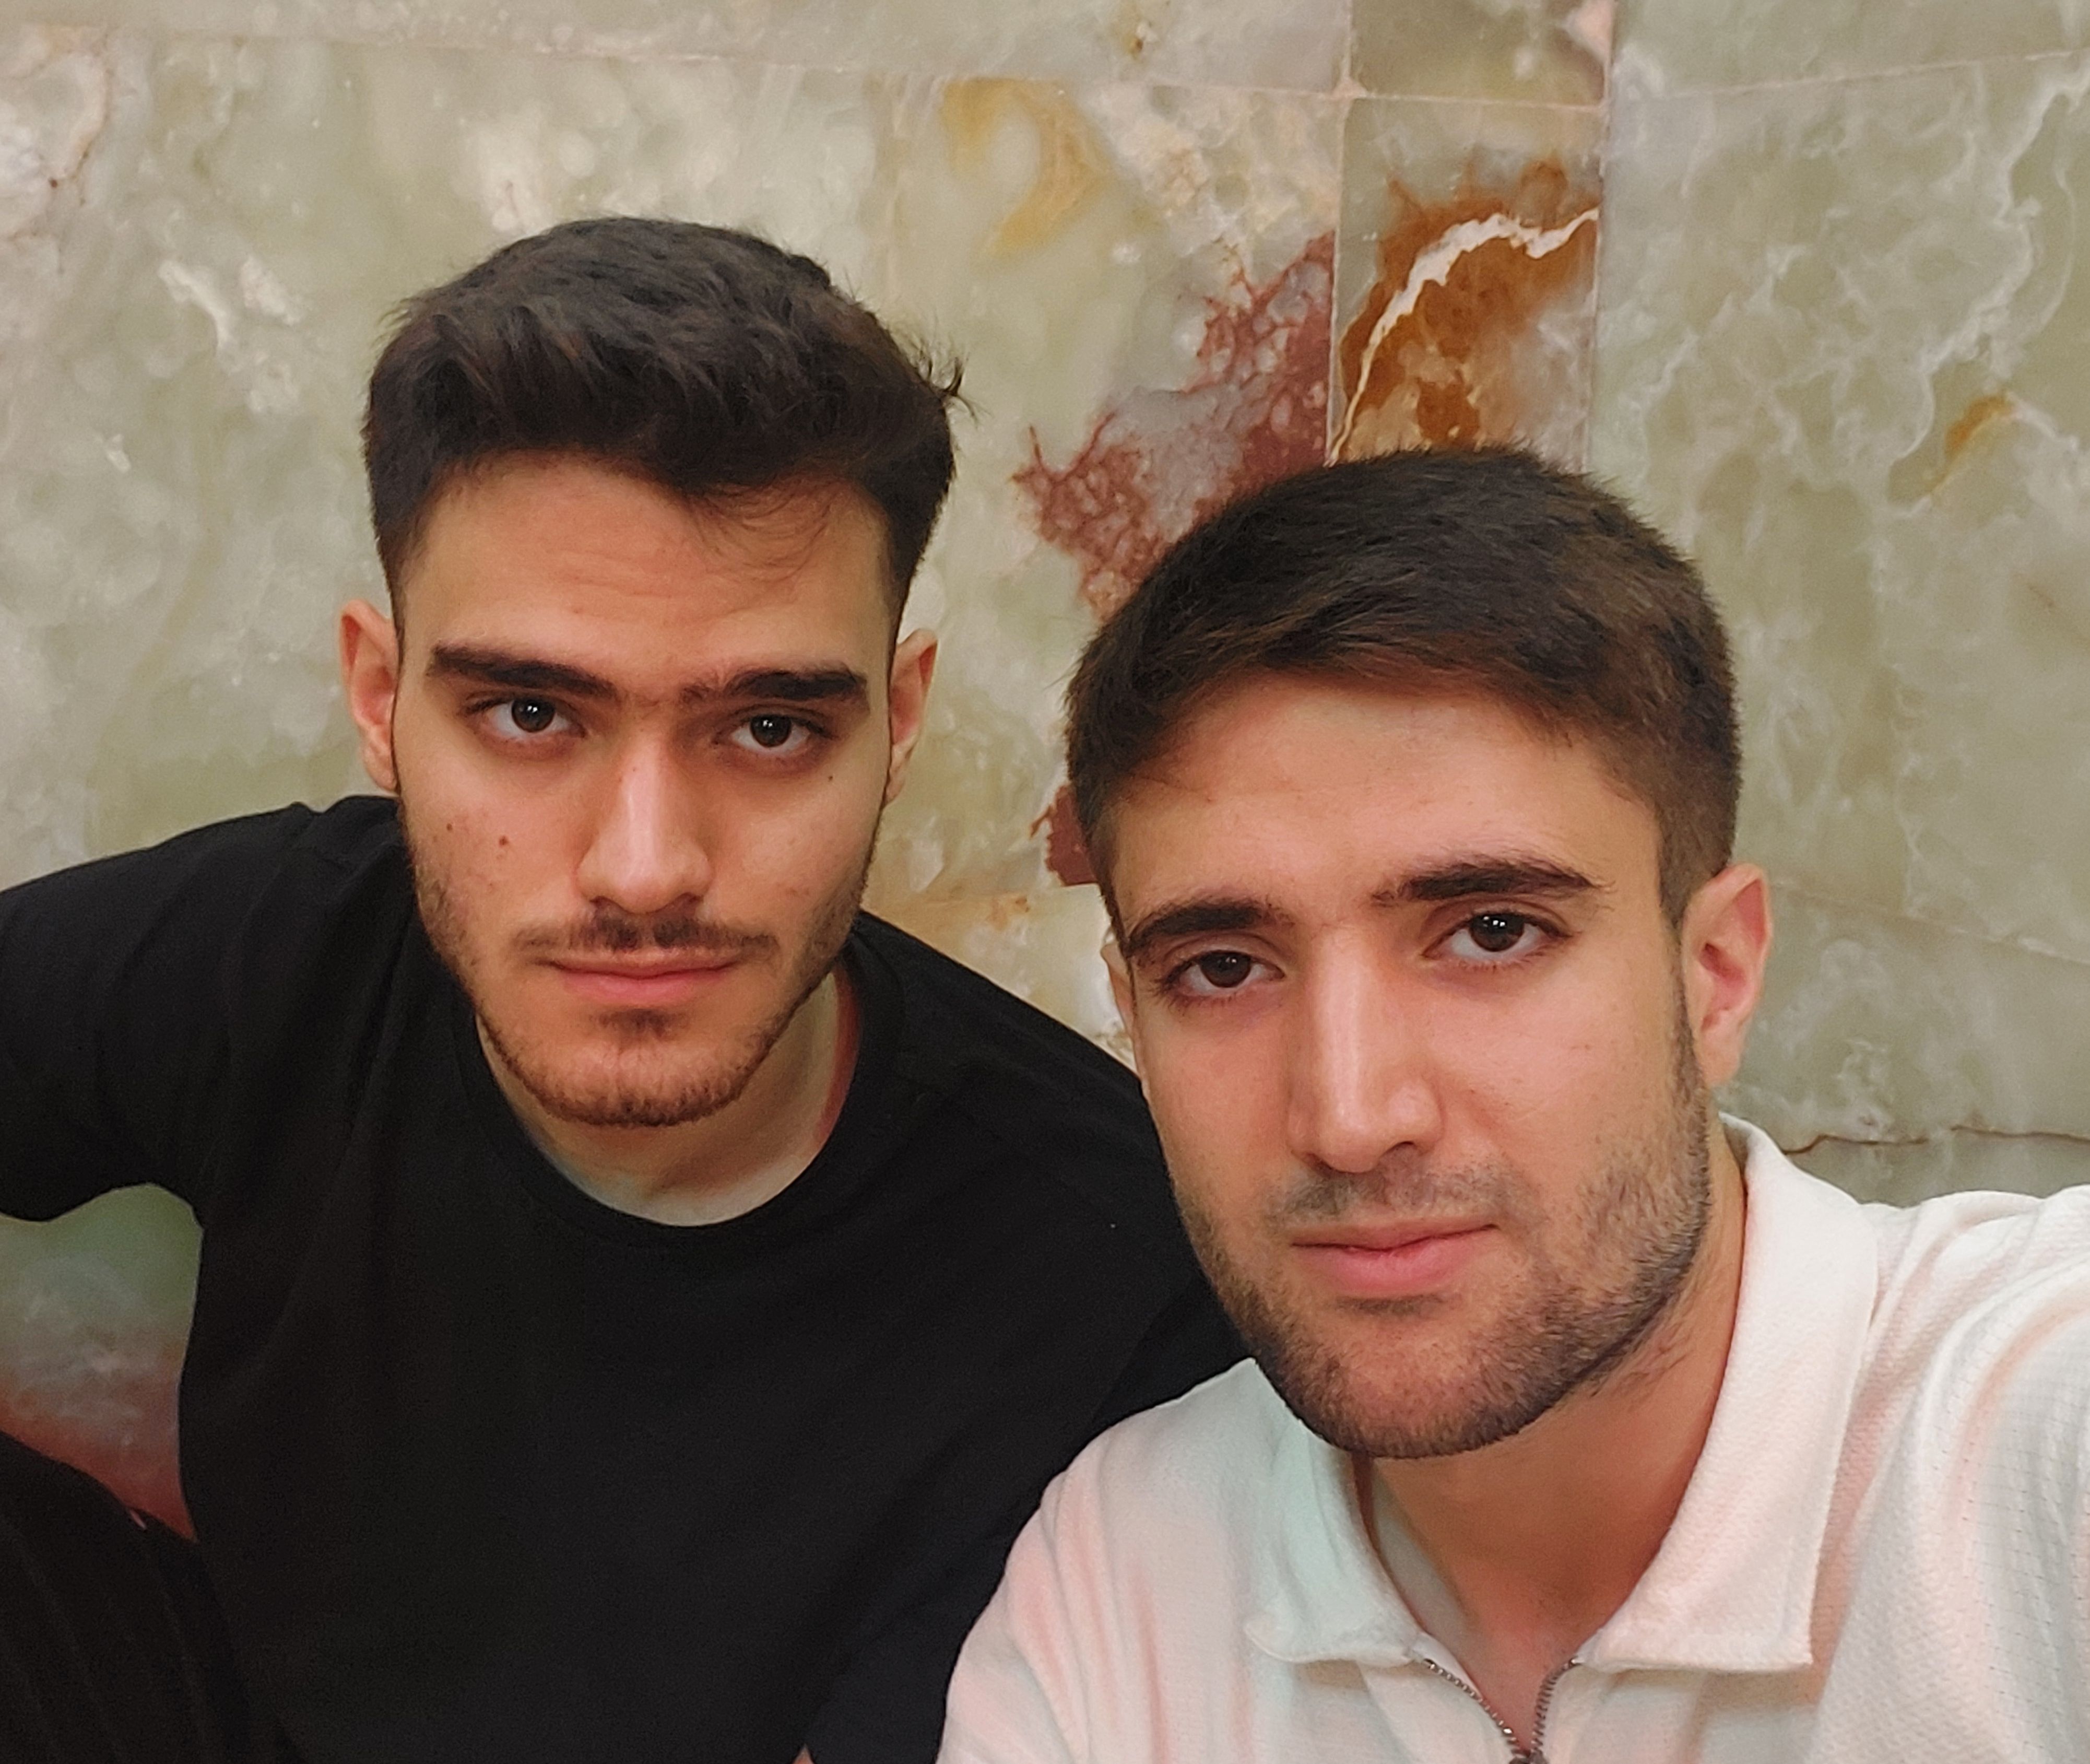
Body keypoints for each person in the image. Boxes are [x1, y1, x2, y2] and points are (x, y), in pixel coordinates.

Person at [0, 217, 1240, 1764]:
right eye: (531, 713)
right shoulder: (279, 953)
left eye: (769, 729)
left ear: (897, 721)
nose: (645, 868)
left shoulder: (1117, 1297)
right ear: (380, 702)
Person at [938, 449, 2090, 1763]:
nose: (1351, 1117)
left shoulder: (2033, 1439)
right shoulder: (1117, 1585)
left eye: (1492, 932)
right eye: (1221, 967)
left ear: (1714, 976)